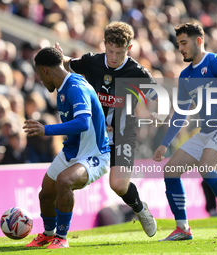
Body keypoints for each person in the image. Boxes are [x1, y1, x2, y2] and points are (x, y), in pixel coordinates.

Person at [56, 21, 157, 237]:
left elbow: (159, 99)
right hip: (93, 134)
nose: (113, 56)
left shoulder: (137, 72)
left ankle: (140, 209)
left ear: (129, 49)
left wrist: (154, 112)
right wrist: (57, 56)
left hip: (123, 134)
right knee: (67, 179)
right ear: (104, 44)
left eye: (119, 52)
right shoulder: (92, 62)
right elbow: (67, 63)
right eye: (109, 50)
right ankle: (55, 230)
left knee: (118, 185)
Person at [153, 23, 217, 241]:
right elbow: (180, 113)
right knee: (170, 171)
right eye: (178, 44)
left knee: (206, 168)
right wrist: (165, 143)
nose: (181, 48)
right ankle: (182, 228)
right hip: (207, 130)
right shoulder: (185, 75)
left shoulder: (216, 62)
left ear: (198, 41)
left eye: (184, 43)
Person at [23, 47, 110, 249]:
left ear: (45, 70)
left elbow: (82, 123)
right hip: (71, 150)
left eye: (39, 75)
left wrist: (46, 129)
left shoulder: (74, 87)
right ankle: (48, 234)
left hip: (94, 153)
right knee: (45, 194)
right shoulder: (64, 85)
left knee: (65, 181)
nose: (40, 81)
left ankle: (61, 238)